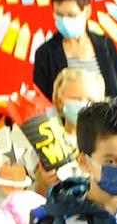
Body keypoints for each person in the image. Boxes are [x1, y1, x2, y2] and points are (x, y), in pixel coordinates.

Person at [33, 0, 117, 106]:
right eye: (59, 15)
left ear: (87, 11)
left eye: (71, 15)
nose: (64, 21)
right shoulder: (45, 54)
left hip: (110, 121)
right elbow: (42, 106)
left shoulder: (105, 45)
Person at [30, 67, 107, 196]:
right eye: (76, 99)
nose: (83, 104)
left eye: (91, 100)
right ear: (60, 101)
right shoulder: (46, 140)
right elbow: (37, 192)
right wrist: (42, 182)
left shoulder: (107, 141)